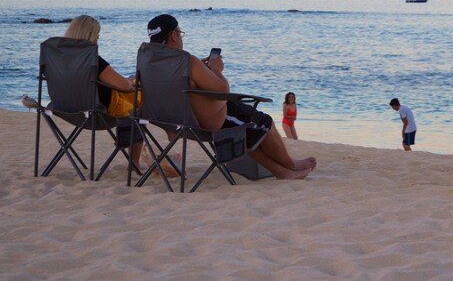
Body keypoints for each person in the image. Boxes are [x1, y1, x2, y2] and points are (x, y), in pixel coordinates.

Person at [146, 14, 315, 180]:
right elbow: (223, 90)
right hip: (204, 124)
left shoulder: (148, 62)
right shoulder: (187, 61)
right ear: (173, 35)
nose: (181, 37)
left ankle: (282, 172)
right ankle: (291, 165)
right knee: (264, 122)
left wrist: (203, 70)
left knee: (244, 129)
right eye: (180, 33)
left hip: (173, 123)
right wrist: (216, 69)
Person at [62, 15, 146, 172]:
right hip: (98, 114)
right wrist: (132, 82)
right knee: (138, 102)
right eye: (97, 37)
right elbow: (124, 86)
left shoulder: (60, 59)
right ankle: (133, 163)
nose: (97, 41)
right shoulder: (93, 60)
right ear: (89, 37)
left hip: (66, 110)